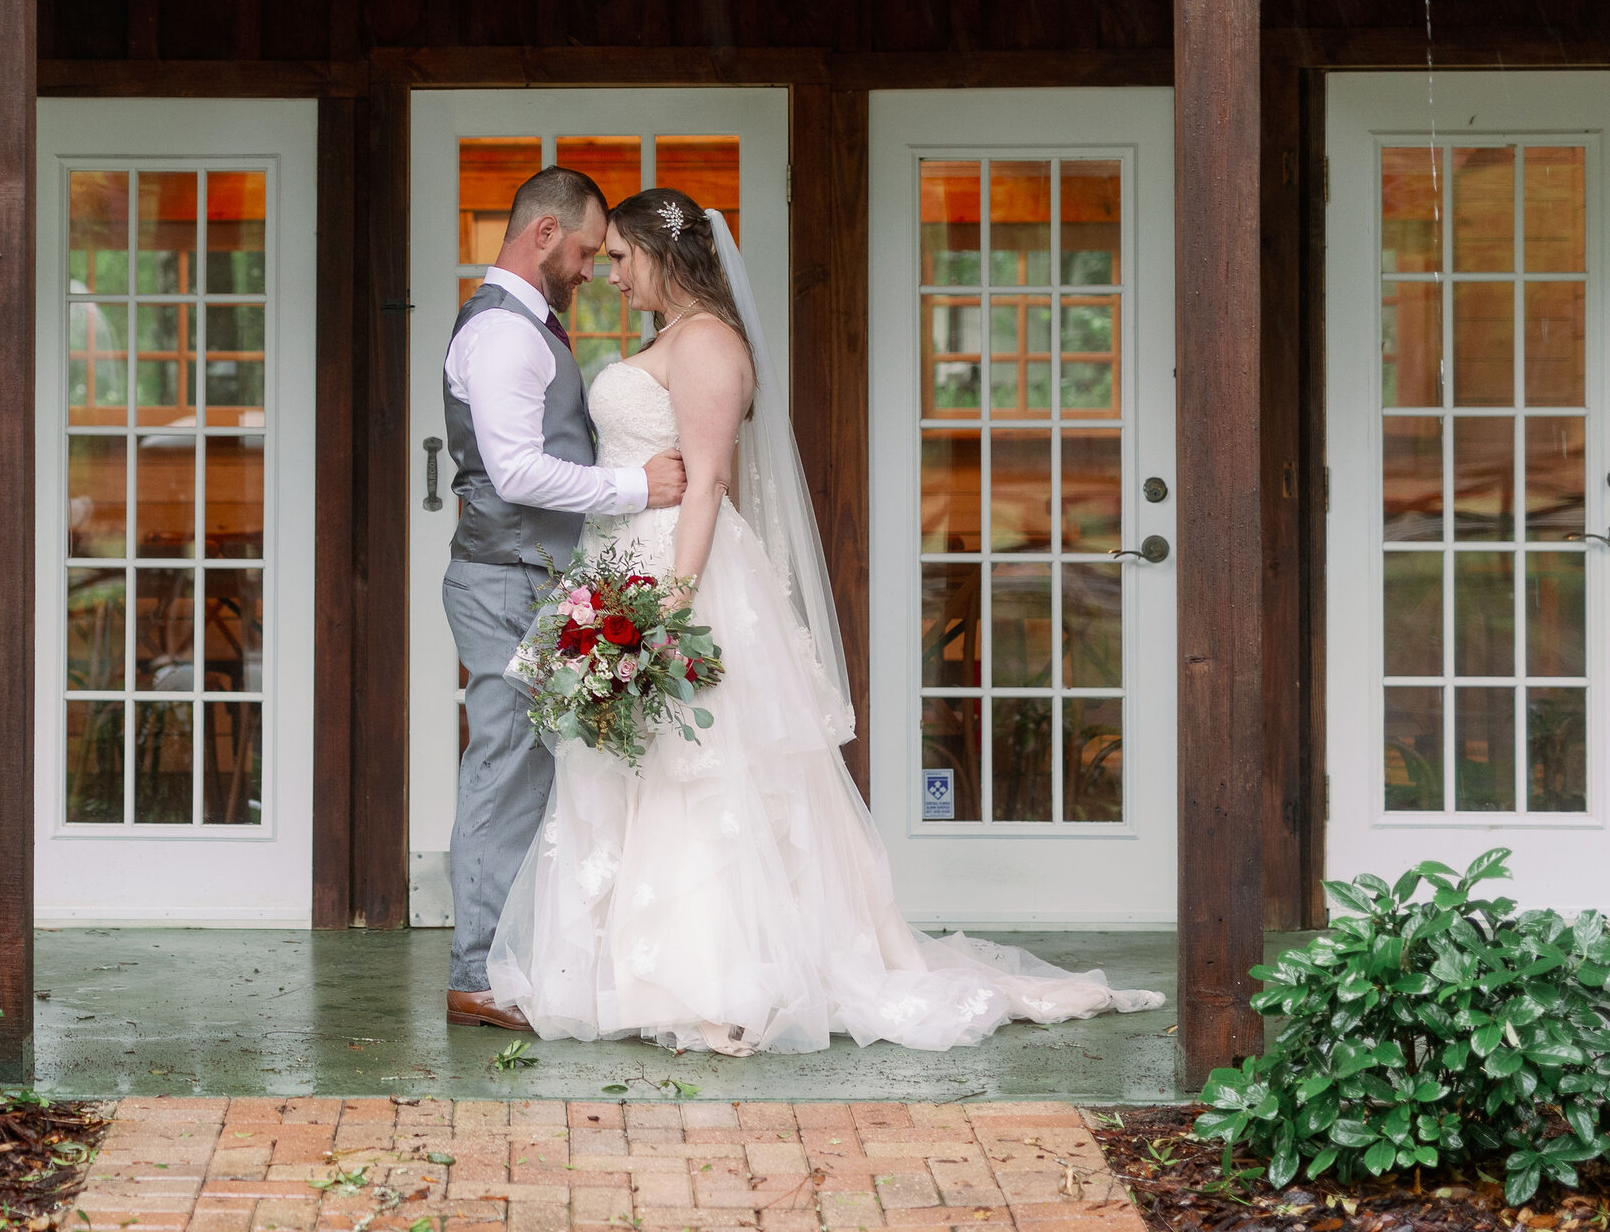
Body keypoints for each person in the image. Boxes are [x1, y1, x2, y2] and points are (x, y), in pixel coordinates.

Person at [485, 188, 1165, 1055]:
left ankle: (709, 974)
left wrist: (670, 607)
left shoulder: (707, 344)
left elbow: (708, 481)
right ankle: (626, 971)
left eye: (621, 257)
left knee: (699, 773)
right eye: (606, 257)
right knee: (634, 769)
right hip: (625, 561)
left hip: (676, 574)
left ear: (662, 252)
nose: (610, 274)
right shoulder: (668, 340)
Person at [440, 166, 689, 1033]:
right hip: (505, 577)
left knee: (534, 768)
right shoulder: (507, 334)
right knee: (506, 763)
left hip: (527, 575)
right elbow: (513, 472)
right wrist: (637, 485)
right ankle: (476, 972)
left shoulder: (523, 328)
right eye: (586, 251)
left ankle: (513, 957)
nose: (593, 270)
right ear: (542, 235)